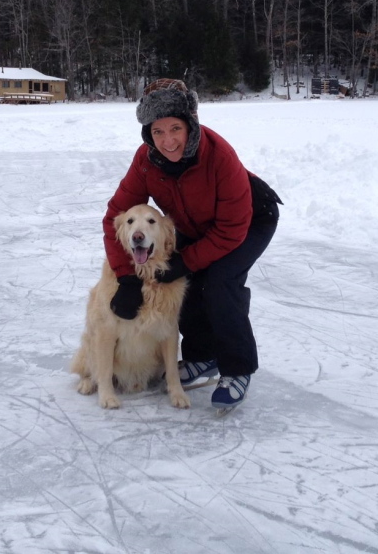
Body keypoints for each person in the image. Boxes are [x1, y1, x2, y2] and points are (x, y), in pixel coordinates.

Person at [103, 78, 281, 412]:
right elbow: (116, 217)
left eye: (175, 128)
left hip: (249, 221)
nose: (168, 141)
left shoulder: (219, 156)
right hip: (196, 225)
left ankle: (237, 368)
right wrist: (126, 277)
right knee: (184, 285)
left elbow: (230, 230)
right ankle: (203, 357)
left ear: (191, 125)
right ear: (148, 135)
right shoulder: (146, 160)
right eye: (158, 132)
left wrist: (186, 262)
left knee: (219, 283)